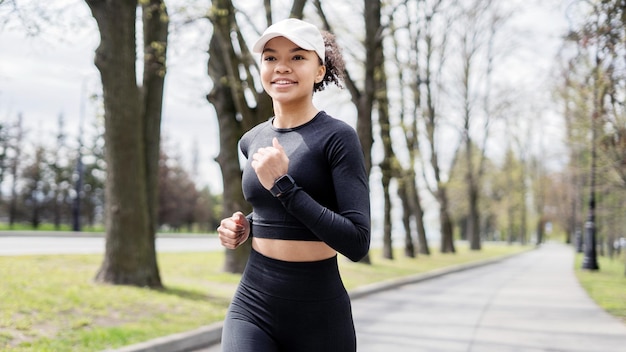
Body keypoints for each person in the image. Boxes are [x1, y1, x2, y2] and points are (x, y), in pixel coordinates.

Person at [217, 18, 371, 352]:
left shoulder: (338, 138)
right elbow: (271, 211)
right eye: (271, 58)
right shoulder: (251, 140)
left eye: (298, 57)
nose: (282, 67)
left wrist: (284, 186)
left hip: (319, 316)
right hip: (253, 303)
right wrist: (245, 226)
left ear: (319, 71)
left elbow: (357, 241)